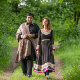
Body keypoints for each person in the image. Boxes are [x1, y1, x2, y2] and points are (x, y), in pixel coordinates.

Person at [15, 13, 40, 78]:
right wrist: (22, 36)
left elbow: (40, 34)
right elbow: (17, 34)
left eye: (31, 18)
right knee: (22, 58)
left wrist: (33, 35)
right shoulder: (22, 25)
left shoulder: (35, 26)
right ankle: (24, 73)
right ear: (26, 18)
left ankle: (29, 74)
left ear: (32, 18)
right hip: (23, 45)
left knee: (29, 58)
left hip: (31, 44)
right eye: (28, 17)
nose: (29, 19)